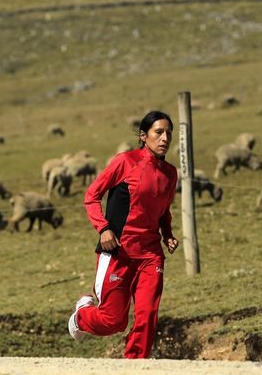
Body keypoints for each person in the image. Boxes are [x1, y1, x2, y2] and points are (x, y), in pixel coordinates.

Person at [68, 110, 179, 358]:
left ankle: (134, 366)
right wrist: (104, 228)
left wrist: (168, 233)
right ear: (143, 135)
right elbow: (91, 197)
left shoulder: (171, 174)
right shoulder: (125, 161)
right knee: (113, 321)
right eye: (158, 132)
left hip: (150, 254)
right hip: (118, 251)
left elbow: (162, 210)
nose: (164, 139)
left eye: (168, 133)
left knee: (148, 314)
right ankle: (82, 315)